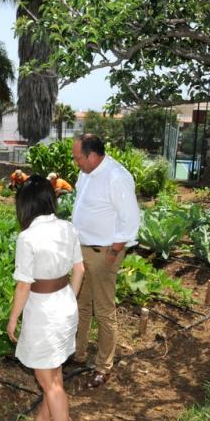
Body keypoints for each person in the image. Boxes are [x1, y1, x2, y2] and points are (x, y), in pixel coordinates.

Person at [7, 176, 84, 421]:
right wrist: (69, 300)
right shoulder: (67, 228)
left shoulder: (27, 237)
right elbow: (79, 268)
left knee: (48, 380)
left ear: (25, 206)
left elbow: (24, 285)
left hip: (43, 310)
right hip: (64, 302)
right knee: (55, 371)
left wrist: (13, 319)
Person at [70, 133, 140, 389]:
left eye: (78, 157)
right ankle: (78, 354)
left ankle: (103, 366)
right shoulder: (86, 174)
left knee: (103, 310)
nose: (76, 162)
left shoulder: (116, 177)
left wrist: (113, 252)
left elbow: (130, 219)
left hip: (103, 252)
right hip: (82, 249)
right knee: (81, 305)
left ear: (92, 155)